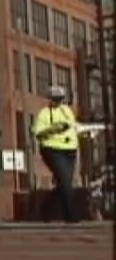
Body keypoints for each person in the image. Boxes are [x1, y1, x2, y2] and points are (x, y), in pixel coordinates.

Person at [33, 85, 80, 223]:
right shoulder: (44, 113)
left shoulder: (67, 111)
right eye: (55, 99)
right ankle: (70, 215)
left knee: (64, 183)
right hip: (52, 149)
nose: (58, 101)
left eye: (60, 99)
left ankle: (46, 209)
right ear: (50, 99)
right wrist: (54, 129)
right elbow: (38, 133)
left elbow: (73, 127)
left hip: (70, 149)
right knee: (65, 183)